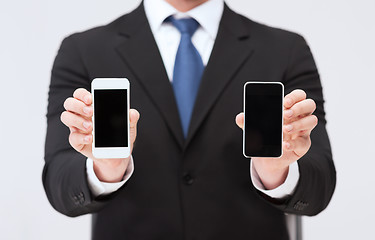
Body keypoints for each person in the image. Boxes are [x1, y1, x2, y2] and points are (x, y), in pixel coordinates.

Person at [43, 0, 336, 239]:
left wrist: (275, 172)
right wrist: (105, 169)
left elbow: (320, 183)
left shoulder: (286, 50)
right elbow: (60, 182)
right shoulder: (83, 51)